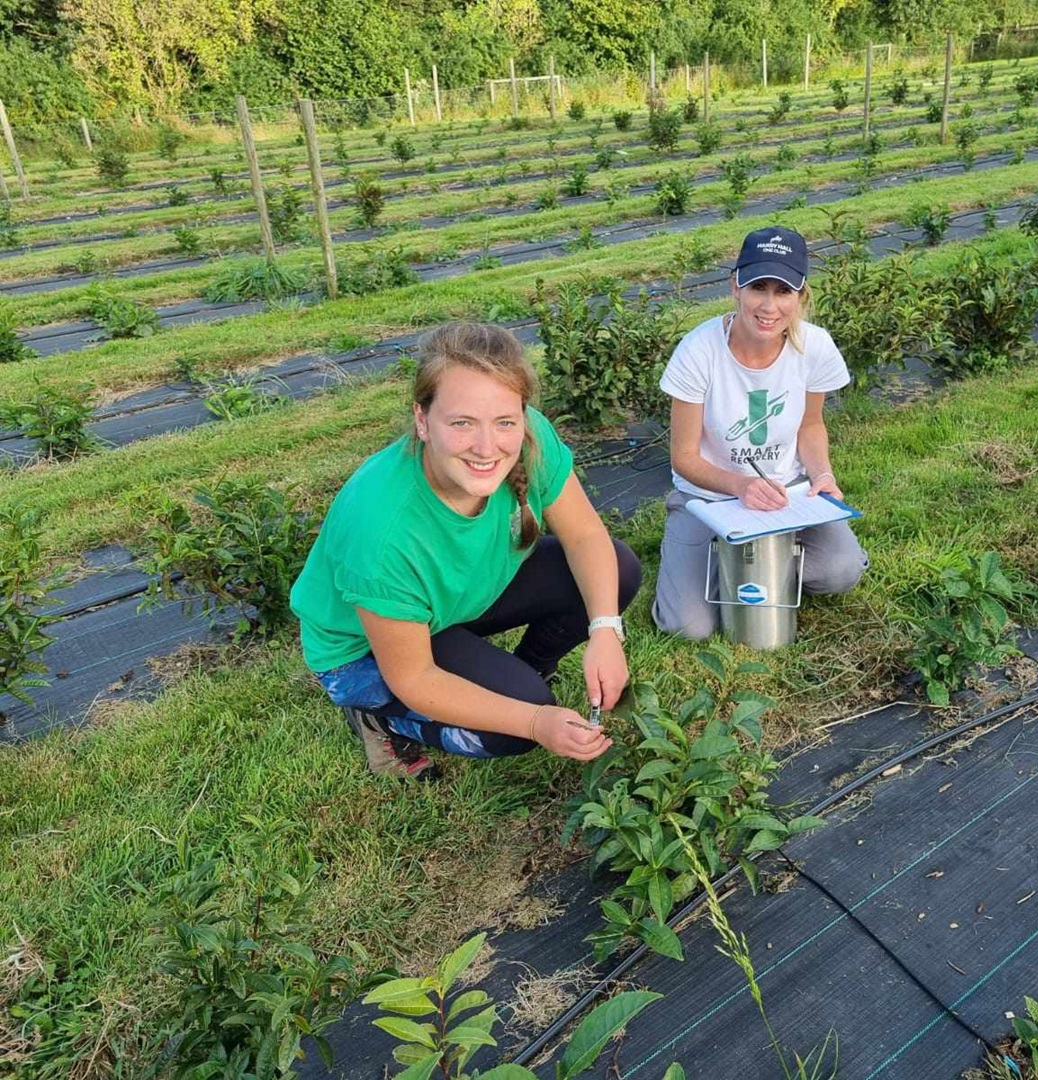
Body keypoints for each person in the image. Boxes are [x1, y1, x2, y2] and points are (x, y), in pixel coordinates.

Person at [291, 322, 641, 779]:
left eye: (504, 422)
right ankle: (378, 718)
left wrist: (605, 630)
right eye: (461, 423)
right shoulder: (382, 529)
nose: (486, 446)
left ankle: (525, 674)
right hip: (367, 649)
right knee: (513, 730)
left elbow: (585, 537)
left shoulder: (530, 437)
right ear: (422, 420)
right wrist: (535, 721)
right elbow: (415, 678)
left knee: (619, 569)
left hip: (456, 598)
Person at [653, 225, 867, 640]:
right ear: (735, 286)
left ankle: (753, 560)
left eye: (783, 291)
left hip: (786, 495)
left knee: (841, 571)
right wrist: (741, 485)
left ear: (801, 296)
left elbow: (810, 424)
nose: (769, 306)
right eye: (758, 287)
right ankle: (716, 554)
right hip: (709, 498)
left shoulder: (815, 347)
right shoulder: (698, 352)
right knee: (687, 628)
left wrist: (822, 475)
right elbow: (684, 457)